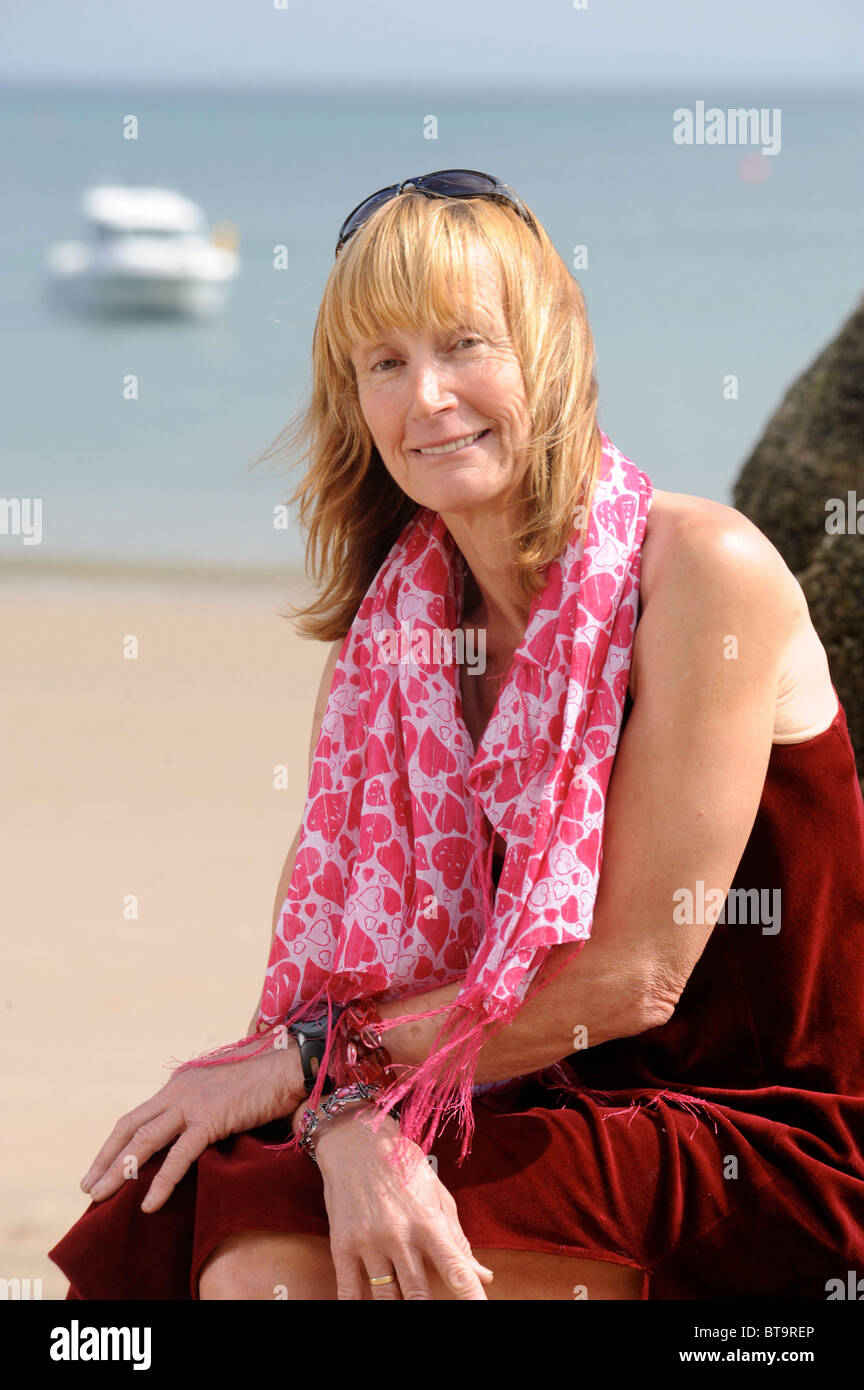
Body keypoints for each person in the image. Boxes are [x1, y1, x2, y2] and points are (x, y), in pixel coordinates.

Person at [49, 170, 864, 1302]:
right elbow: (309, 998)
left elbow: (635, 977)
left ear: (551, 346)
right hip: (511, 1099)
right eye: (384, 362)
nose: (427, 396)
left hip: (746, 1137)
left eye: (465, 343)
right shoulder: (394, 636)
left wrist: (320, 1074)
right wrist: (338, 1121)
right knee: (189, 1206)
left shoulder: (701, 573)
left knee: (279, 1272)